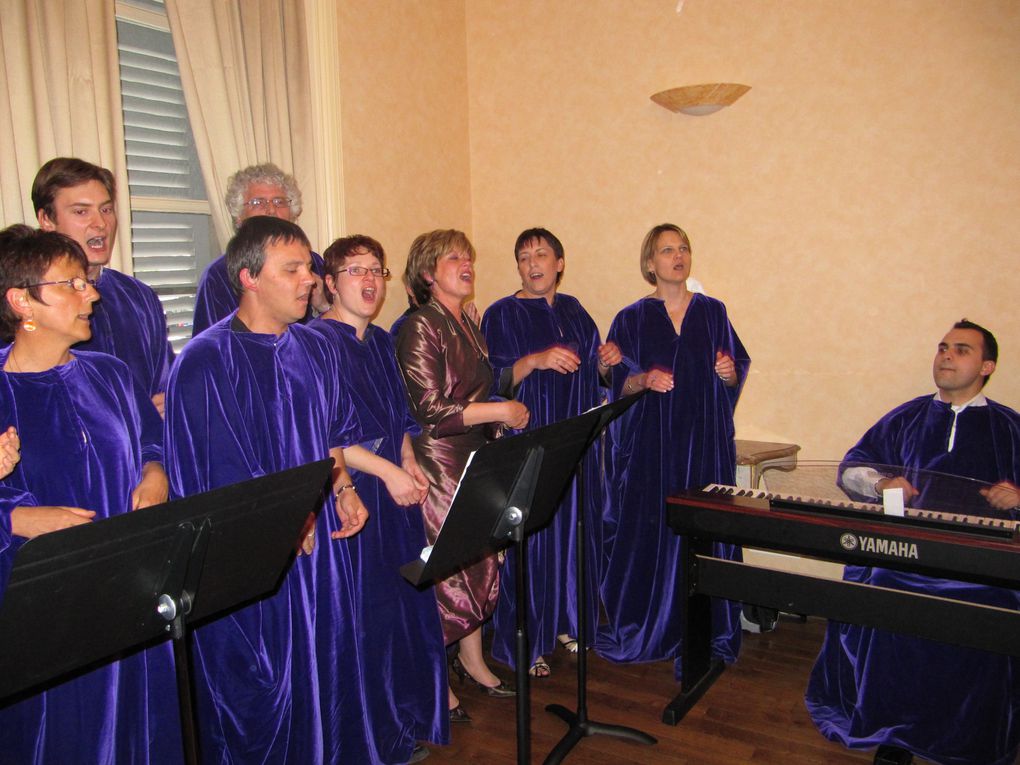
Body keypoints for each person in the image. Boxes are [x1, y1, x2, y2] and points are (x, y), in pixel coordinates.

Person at [163, 216, 375, 762]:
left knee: (322, 672)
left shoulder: (314, 348)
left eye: (310, 266)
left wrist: (344, 486)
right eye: (294, 269)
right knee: (261, 697)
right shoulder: (204, 362)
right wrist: (283, 522)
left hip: (315, 547)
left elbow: (329, 435)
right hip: (251, 568)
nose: (312, 279)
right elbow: (212, 475)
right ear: (249, 277)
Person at [0, 225, 180, 763]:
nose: (93, 294)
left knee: (139, 724)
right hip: (40, 605)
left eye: (87, 281)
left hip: (130, 586)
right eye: (72, 284)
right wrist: (18, 519)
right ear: (21, 300)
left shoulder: (110, 373)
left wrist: (156, 475)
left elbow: (155, 441)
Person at [806, 320, 1020, 765]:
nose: (945, 355)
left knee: (994, 607)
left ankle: (970, 735)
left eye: (961, 349)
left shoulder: (1009, 428)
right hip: (902, 559)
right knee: (881, 586)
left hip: (980, 569)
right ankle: (894, 734)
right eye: (942, 347)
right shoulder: (907, 417)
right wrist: (883, 482)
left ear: (987, 365)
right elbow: (851, 467)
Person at [310, 234, 447, 763]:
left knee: (397, 615)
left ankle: (397, 723)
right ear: (330, 282)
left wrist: (408, 459)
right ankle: (366, 740)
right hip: (354, 496)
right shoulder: (318, 343)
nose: (369, 281)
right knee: (361, 620)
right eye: (355, 271)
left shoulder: (383, 341)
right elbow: (326, 438)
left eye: (377, 271)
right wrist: (389, 470)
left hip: (393, 491)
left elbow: (398, 420)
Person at [596, 223, 749, 676]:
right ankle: (653, 624)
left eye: (683, 248)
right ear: (650, 263)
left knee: (705, 529)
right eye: (667, 250)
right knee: (655, 530)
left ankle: (709, 628)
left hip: (704, 445)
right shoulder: (631, 318)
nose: (677, 256)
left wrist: (728, 374)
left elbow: (735, 370)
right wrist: (642, 379)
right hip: (652, 448)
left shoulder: (714, 311)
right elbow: (614, 383)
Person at [396, 229, 529, 721]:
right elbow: (430, 410)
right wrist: (497, 410)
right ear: (429, 273)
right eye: (454, 257)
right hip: (441, 460)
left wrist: (495, 414)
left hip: (475, 456)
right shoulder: (420, 326)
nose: (466, 263)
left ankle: (472, 661)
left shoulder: (466, 321)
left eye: (468, 256)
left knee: (477, 563)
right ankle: (435, 680)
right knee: (450, 572)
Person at [482, 228, 621, 677]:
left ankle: (564, 622)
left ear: (559, 263)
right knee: (532, 543)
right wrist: (536, 360)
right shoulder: (502, 313)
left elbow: (595, 378)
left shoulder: (576, 311)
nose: (532, 263)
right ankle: (525, 638)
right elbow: (492, 379)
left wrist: (605, 362)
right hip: (529, 443)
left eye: (541, 254)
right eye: (523, 257)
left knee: (570, 536)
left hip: (573, 446)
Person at [32, 157, 173, 415]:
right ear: (46, 219)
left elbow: (164, 387)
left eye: (106, 209)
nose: (101, 224)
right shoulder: (30, 302)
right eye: (81, 211)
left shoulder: (139, 298)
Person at [191, 163, 329, 336]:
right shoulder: (218, 274)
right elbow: (211, 344)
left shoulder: (313, 263)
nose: (271, 210)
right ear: (239, 217)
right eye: (258, 202)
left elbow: (335, 339)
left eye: (279, 202)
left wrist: (323, 306)